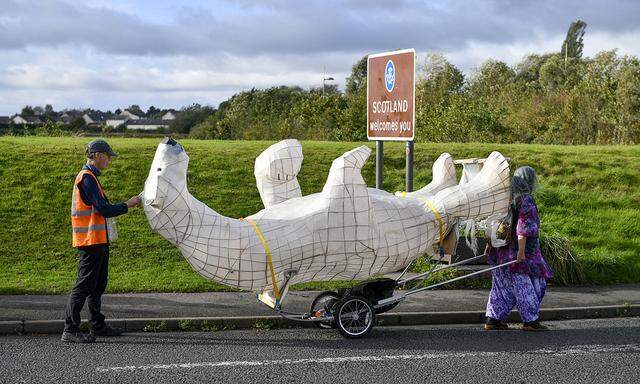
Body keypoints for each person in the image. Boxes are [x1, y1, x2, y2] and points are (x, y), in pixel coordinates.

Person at [61, 139, 141, 343]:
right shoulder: (86, 178)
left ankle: (97, 325)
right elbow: (104, 209)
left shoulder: (92, 178)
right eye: (108, 156)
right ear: (97, 155)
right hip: (90, 242)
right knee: (84, 285)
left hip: (98, 240)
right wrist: (128, 204)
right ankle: (70, 329)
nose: (109, 161)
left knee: (97, 285)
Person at [484, 166, 553, 331]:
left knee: (501, 287)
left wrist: (489, 244)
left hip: (500, 250)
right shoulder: (526, 199)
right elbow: (524, 227)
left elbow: (493, 223)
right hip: (520, 253)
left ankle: (492, 319)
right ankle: (530, 321)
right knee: (531, 285)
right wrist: (521, 252)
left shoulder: (504, 199)